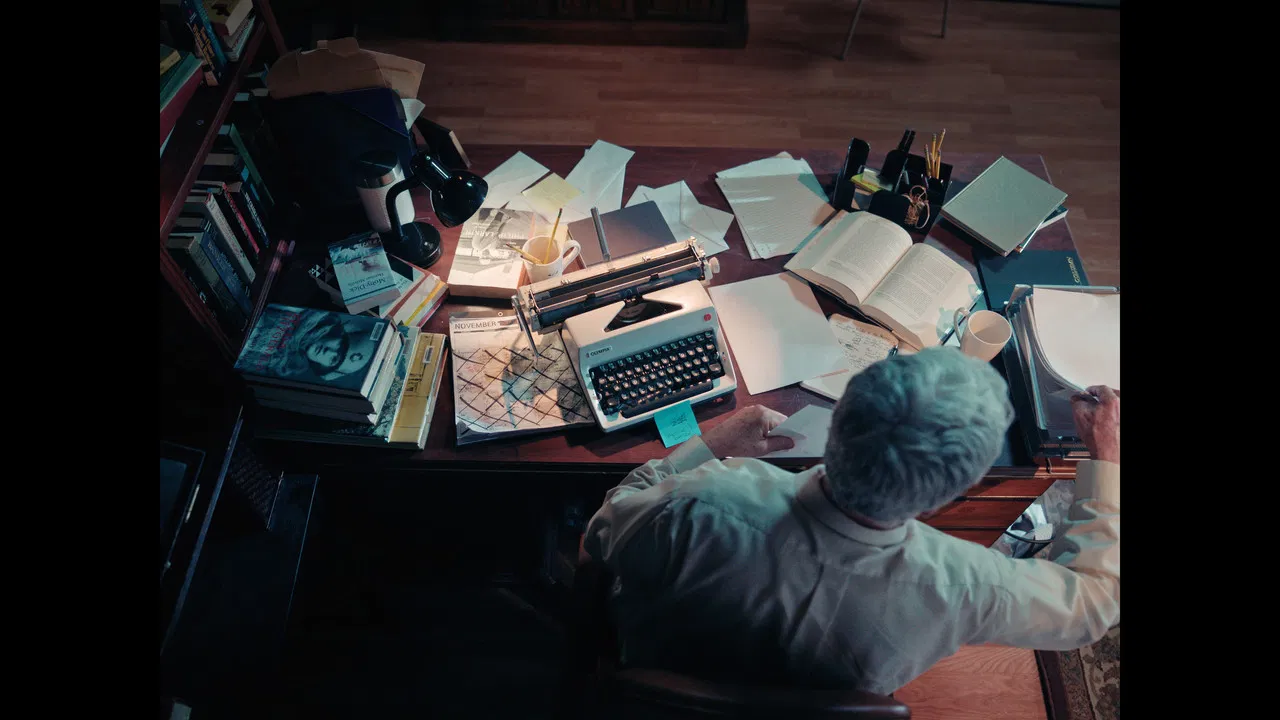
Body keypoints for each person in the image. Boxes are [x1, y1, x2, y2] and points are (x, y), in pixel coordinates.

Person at [582, 347, 1119, 696]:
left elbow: (601, 532)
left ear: (837, 420)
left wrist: (710, 444)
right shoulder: (968, 585)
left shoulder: (702, 501)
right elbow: (1092, 605)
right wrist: (1107, 461)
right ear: (950, 495)